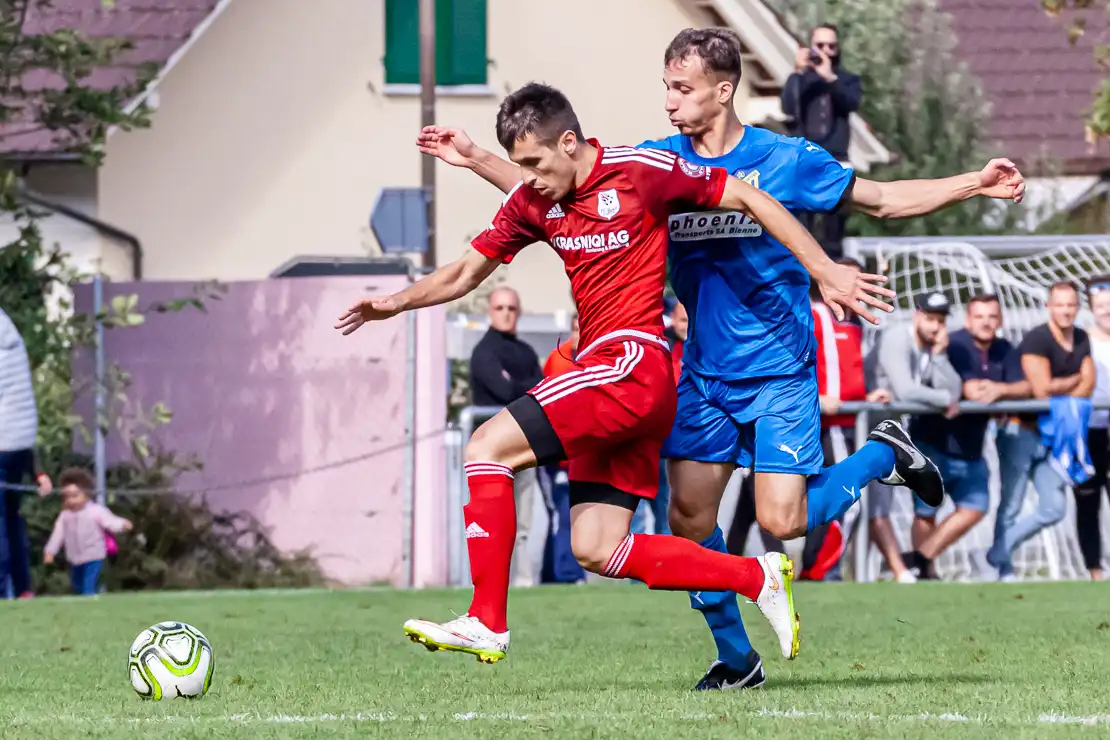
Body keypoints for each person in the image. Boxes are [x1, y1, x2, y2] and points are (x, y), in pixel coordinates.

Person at [417, 27, 1025, 690]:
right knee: (689, 519)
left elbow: (880, 198)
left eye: (683, 88)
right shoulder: (657, 161)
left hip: (780, 366)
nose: (671, 102)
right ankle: (737, 659)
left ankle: (882, 454)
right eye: (666, 88)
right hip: (702, 373)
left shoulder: (785, 158)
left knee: (782, 521)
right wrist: (478, 157)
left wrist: (973, 184)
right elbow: (558, 196)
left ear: (723, 89)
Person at [341, 82, 894, 667]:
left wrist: (823, 272)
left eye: (534, 162)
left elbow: (748, 197)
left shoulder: (641, 171)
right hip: (611, 384)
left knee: (485, 448)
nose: (526, 176)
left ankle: (487, 620)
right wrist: (396, 302)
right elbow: (463, 273)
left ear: (571, 141)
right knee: (597, 546)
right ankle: (753, 576)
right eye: (519, 165)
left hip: (629, 364)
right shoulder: (536, 200)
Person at [904, 294, 1028, 579]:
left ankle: (920, 560)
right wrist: (998, 391)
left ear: (1000, 320)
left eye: (992, 316)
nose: (986, 322)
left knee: (976, 506)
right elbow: (970, 390)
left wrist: (1001, 391)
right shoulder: (955, 344)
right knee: (926, 512)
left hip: (970, 447)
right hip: (931, 442)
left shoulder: (1003, 348)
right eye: (980, 316)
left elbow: (1025, 386)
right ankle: (925, 572)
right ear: (969, 319)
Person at [988, 281, 1094, 580]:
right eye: (1060, 304)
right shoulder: (1036, 339)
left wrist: (1068, 386)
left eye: (1071, 304)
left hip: (1054, 435)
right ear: (1048, 306)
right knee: (1012, 503)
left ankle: (998, 551)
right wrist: (1073, 382)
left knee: (1054, 507)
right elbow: (1041, 389)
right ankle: (1002, 567)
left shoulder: (1083, 336)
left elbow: (1089, 385)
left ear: (1078, 307)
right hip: (1020, 431)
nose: (1066, 310)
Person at [866, 292, 962, 582]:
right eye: (930, 319)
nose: (935, 327)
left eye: (941, 321)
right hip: (863, 430)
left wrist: (942, 358)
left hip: (888, 433)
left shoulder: (931, 348)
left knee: (877, 506)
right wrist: (943, 398)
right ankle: (899, 571)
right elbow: (907, 391)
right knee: (871, 508)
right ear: (917, 315)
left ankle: (901, 570)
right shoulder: (897, 337)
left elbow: (954, 389)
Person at [469, 286, 544, 586]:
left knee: (524, 521)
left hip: (524, 447)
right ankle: (490, 585)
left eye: (511, 308)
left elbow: (540, 388)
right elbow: (503, 390)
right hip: (491, 452)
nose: (506, 314)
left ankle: (524, 583)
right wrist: (523, 388)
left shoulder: (525, 351)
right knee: (493, 523)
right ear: (490, 311)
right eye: (500, 308)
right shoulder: (483, 351)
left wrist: (519, 386)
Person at [781, 23, 861, 257]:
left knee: (833, 226)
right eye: (820, 45)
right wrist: (797, 71)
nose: (825, 51)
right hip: (804, 157)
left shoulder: (847, 80)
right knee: (801, 224)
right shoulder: (800, 80)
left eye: (831, 46)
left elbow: (851, 103)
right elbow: (787, 107)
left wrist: (829, 77)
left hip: (836, 158)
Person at [0, 307, 53, 600]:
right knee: (10, 517)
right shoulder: (9, 332)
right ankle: (23, 589)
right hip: (20, 441)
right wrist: (39, 471)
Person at [631, 299, 686, 536]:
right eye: (684, 320)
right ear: (673, 319)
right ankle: (637, 570)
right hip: (652, 437)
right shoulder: (661, 345)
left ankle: (669, 565)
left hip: (680, 439)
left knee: (668, 506)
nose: (688, 326)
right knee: (639, 504)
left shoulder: (701, 347)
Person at [43, 467, 132, 596]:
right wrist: (50, 551)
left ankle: (91, 598)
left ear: (87, 494)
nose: (71, 500)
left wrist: (123, 524)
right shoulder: (64, 516)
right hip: (74, 558)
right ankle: (94, 595)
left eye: (75, 496)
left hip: (94, 555)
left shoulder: (95, 511)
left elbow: (110, 521)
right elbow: (58, 535)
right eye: (67, 497)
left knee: (87, 586)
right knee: (77, 585)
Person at [1078, 277, 1110, 579]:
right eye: (1101, 305)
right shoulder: (1082, 339)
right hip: (1088, 431)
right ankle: (1094, 570)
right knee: (1088, 501)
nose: (1107, 310)